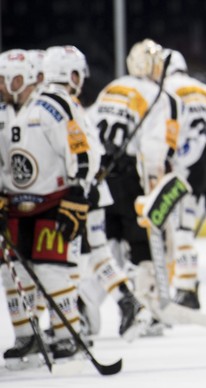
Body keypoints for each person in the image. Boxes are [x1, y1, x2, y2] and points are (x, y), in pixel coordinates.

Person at [42, 45, 152, 342]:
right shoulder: (69, 104)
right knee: (98, 254)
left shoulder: (54, 104)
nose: (81, 79)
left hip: (77, 190)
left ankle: (73, 319)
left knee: (72, 258)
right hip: (93, 189)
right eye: (77, 72)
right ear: (68, 73)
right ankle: (124, 301)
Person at [0, 48, 100, 368]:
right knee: (11, 271)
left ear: (30, 78)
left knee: (53, 270)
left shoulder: (53, 106)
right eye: (1, 79)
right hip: (13, 205)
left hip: (54, 201)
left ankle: (65, 333)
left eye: (10, 78)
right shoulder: (1, 112)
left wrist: (78, 191)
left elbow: (81, 149)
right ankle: (26, 335)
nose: (3, 85)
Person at [88, 39, 180, 335]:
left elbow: (88, 127)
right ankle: (146, 313)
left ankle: (84, 310)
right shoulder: (157, 95)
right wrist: (153, 189)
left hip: (101, 177)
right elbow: (155, 149)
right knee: (143, 246)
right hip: (131, 177)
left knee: (106, 247)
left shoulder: (111, 89)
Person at [162, 48, 206, 310]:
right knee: (185, 226)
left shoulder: (162, 89)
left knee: (178, 229)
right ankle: (184, 284)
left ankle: (186, 287)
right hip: (203, 165)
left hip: (177, 167)